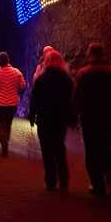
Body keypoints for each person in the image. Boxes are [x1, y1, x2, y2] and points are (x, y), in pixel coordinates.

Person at [75, 43, 111, 196]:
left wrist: (73, 116)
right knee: (105, 146)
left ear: (90, 54)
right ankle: (109, 175)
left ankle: (97, 183)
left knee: (91, 150)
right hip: (107, 117)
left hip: (89, 118)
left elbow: (78, 98)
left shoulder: (83, 73)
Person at [28, 50, 75, 191]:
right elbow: (70, 101)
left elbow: (34, 100)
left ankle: (50, 180)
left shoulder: (41, 79)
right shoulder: (67, 79)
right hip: (60, 118)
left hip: (44, 118)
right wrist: (71, 118)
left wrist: (32, 116)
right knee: (60, 147)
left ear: (46, 62)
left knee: (46, 150)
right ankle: (64, 180)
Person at [0, 52, 26, 157]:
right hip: (12, 103)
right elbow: (22, 85)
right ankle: (6, 141)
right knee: (8, 124)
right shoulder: (16, 72)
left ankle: (4, 144)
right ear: (8, 60)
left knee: (1, 124)